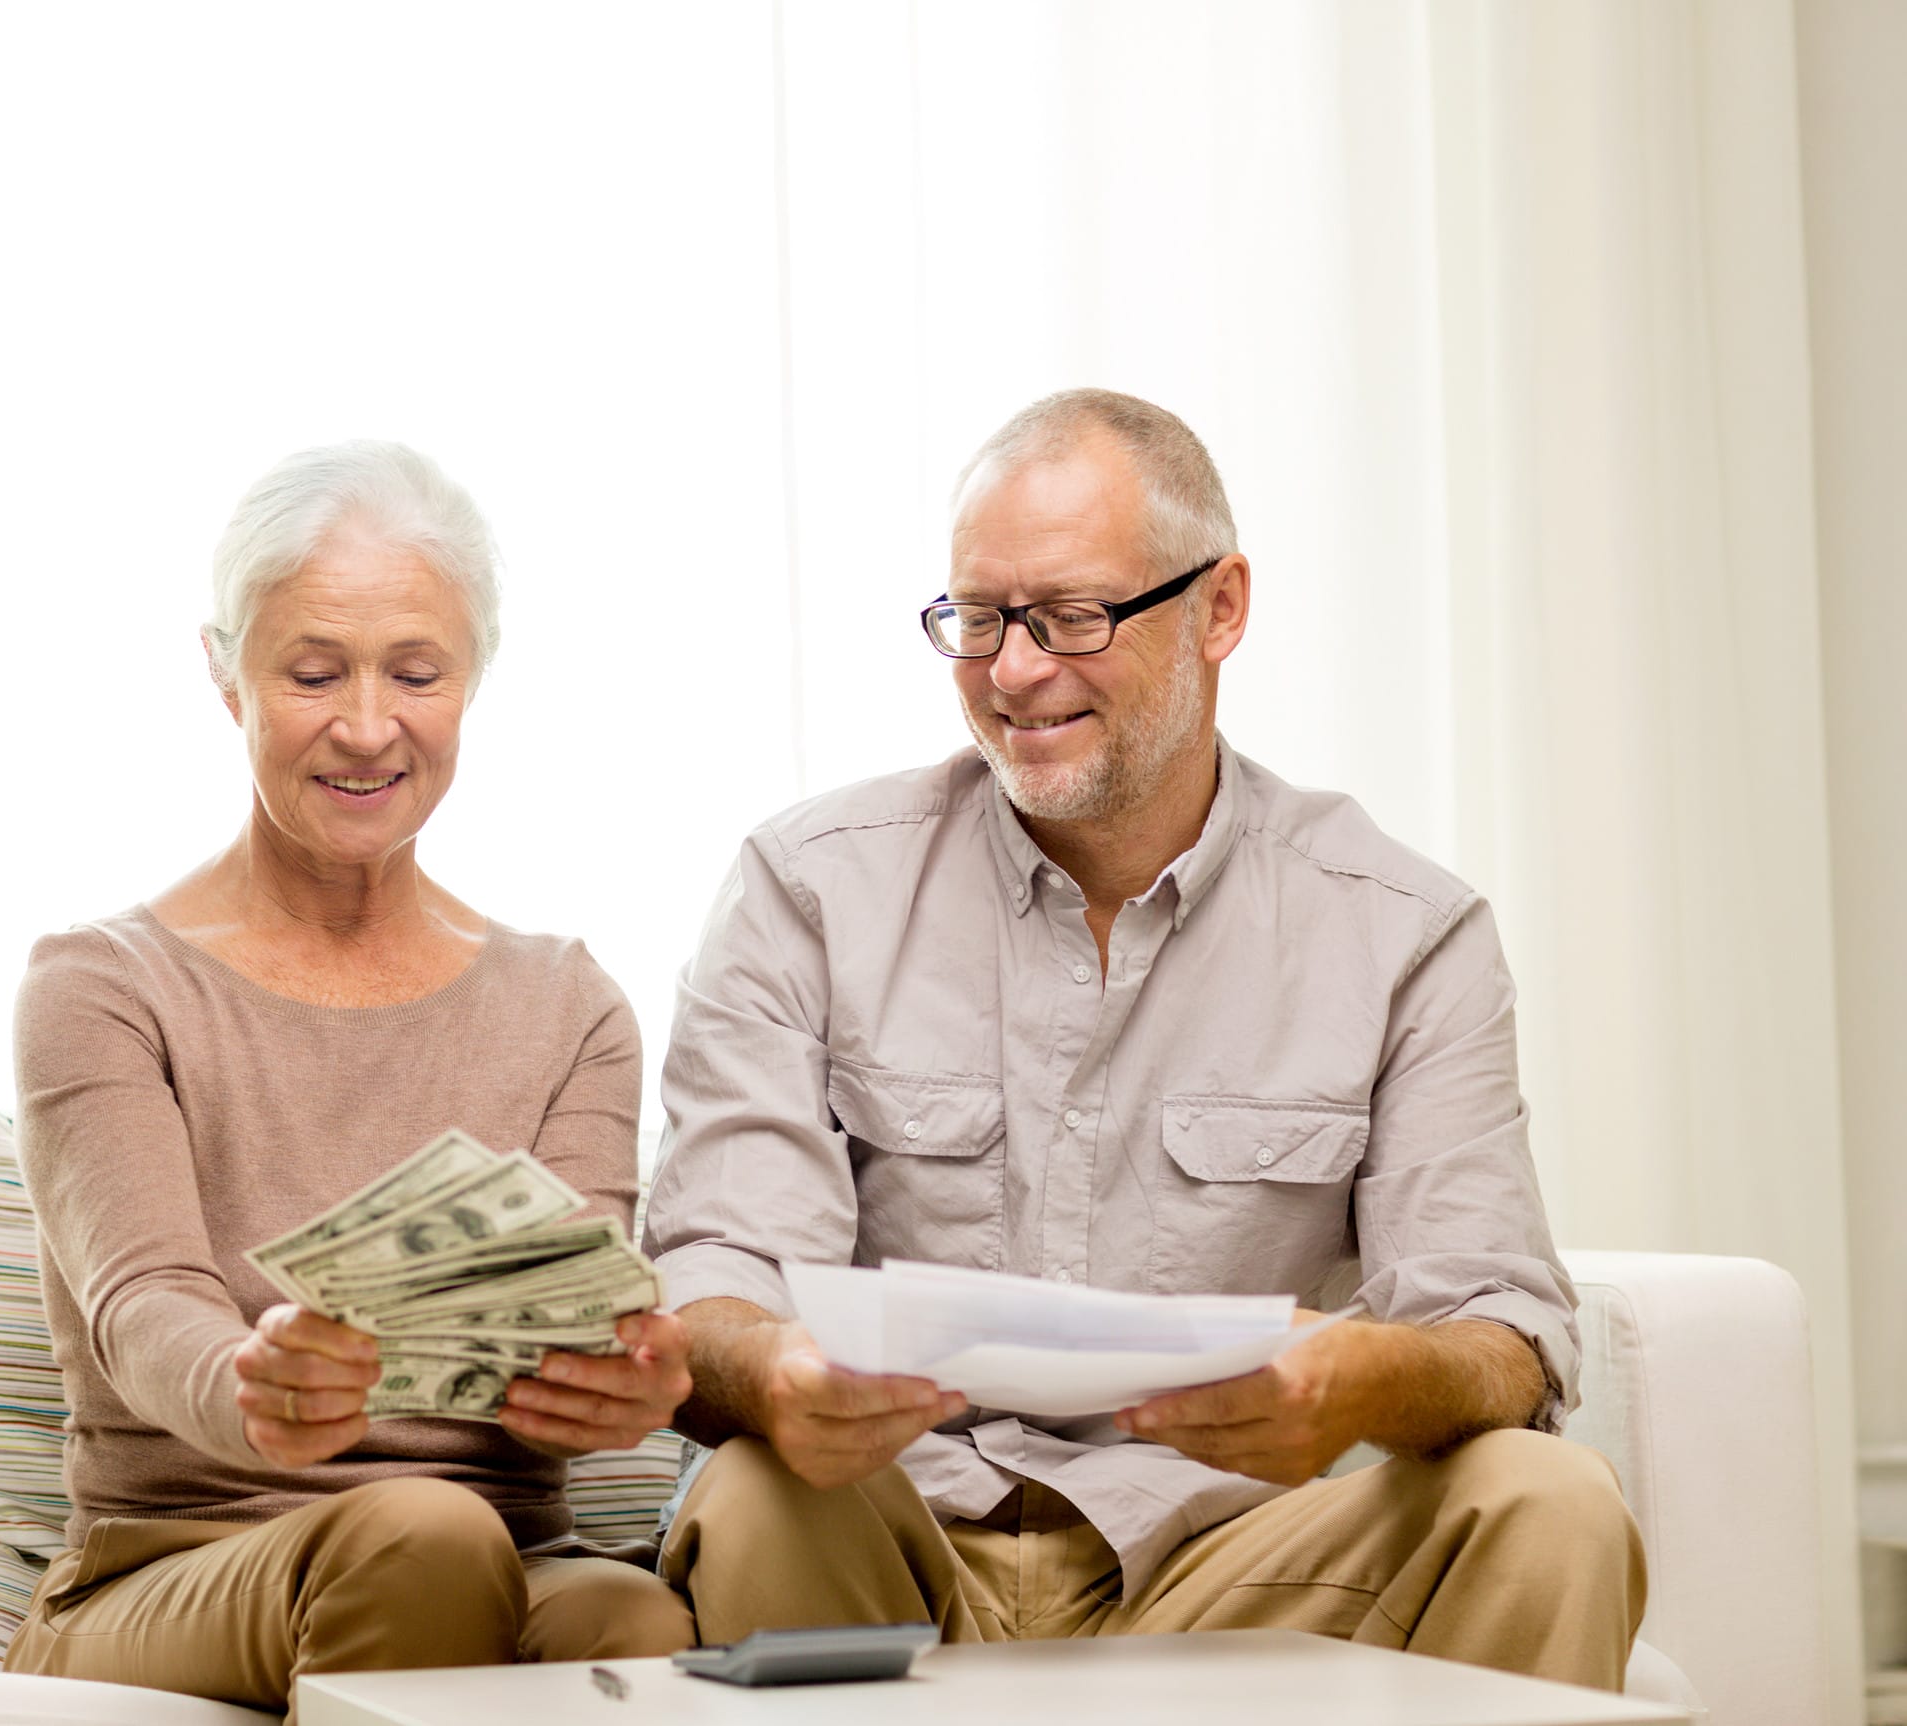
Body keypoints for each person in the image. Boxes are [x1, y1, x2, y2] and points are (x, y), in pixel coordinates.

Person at [643, 390, 1646, 1690]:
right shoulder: (808, 886)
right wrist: (772, 1366)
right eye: (977, 618)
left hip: (1225, 1564)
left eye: (1071, 616)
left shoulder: (1404, 931)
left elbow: (1501, 1333)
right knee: (752, 1492)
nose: (1012, 671)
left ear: (1219, 608)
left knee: (1549, 1502)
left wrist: (1361, 1378)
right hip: (894, 1540)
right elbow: (712, 1272)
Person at [4, 441, 695, 1715]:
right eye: (313, 672)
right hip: (178, 1564)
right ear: (225, 675)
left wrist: (614, 1389)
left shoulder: (568, 1004)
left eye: (415, 673)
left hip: (504, 1553)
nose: (368, 726)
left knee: (636, 1617)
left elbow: (554, 1337)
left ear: (471, 679)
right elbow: (142, 1303)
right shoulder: (101, 984)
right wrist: (250, 1385)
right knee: (420, 1534)